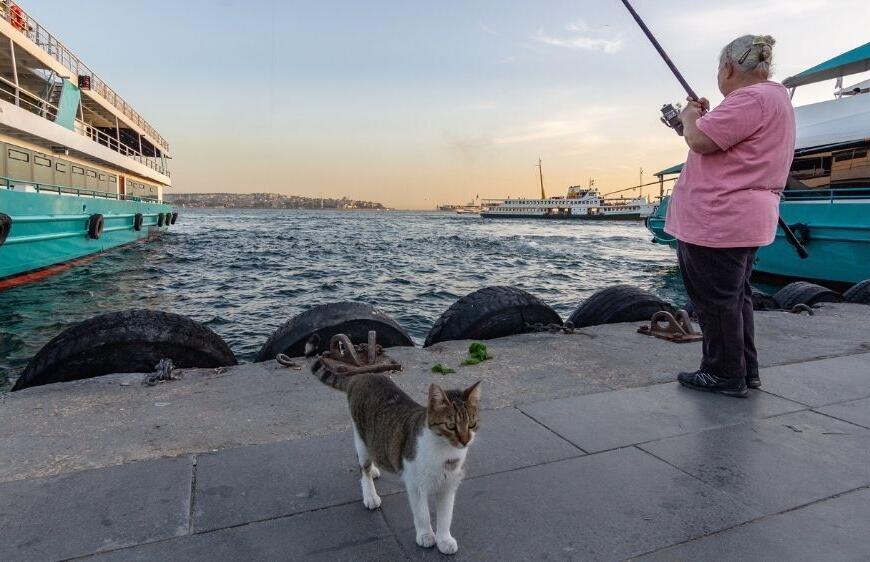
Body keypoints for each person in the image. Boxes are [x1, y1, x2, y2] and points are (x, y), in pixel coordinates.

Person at [664, 35, 796, 397]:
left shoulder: (750, 98)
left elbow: (701, 142)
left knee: (715, 301)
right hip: (744, 218)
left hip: (718, 220)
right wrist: (697, 122)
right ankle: (743, 369)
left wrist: (691, 117)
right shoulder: (774, 98)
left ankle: (722, 374)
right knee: (736, 298)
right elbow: (719, 142)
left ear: (728, 67)